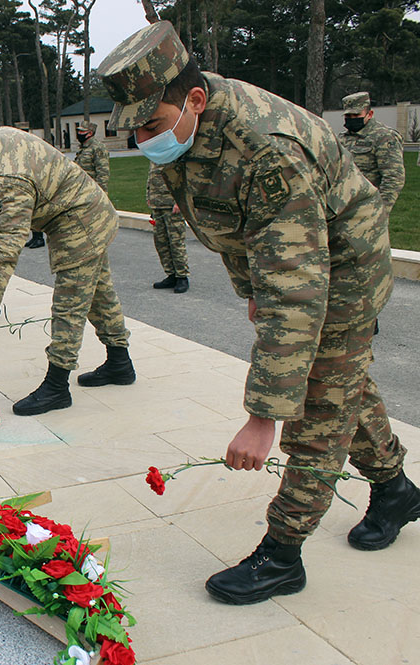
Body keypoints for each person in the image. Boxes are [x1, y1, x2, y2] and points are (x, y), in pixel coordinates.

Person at [98, 21, 418, 605]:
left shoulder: (266, 148)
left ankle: (281, 556)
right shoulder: (186, 123)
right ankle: (396, 489)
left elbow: (297, 288)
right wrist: (250, 285)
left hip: (341, 265)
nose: (143, 141)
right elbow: (229, 225)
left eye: (150, 125)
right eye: (133, 129)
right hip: (292, 257)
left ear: (194, 99)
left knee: (316, 414)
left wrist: (263, 416)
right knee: (343, 386)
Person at [0, 128, 137, 416]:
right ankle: (120, 363)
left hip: (79, 220)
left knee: (69, 304)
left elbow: (5, 244)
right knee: (99, 294)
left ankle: (56, 387)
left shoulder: (6, 178)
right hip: (82, 211)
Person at [338, 92, 405, 211]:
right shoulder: (342, 139)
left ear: (370, 114)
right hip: (343, 207)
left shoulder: (384, 137)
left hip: (369, 207)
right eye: (348, 116)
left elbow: (394, 177)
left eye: (356, 115)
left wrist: (381, 210)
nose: (352, 119)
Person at [146, 162, 190, 293]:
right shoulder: (155, 156)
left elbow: (183, 178)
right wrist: (149, 196)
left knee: (176, 242)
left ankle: (182, 277)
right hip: (156, 204)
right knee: (161, 243)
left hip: (171, 206)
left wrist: (179, 201)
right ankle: (171, 274)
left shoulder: (173, 155)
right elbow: (151, 178)